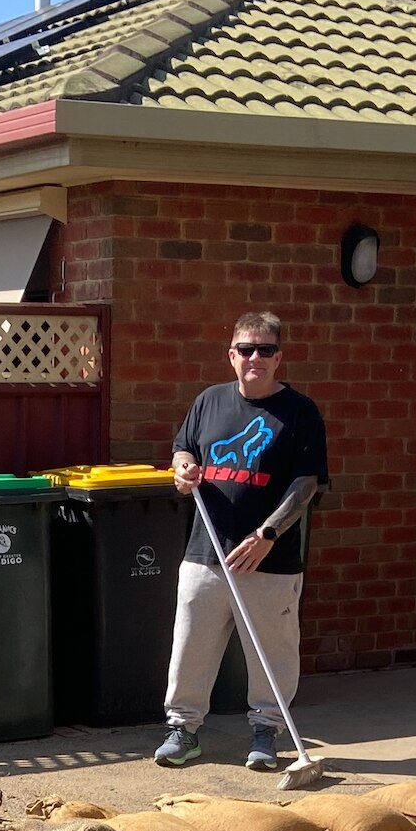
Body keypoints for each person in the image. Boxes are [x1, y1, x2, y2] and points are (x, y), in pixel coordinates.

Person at [156, 310, 329, 771]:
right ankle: (183, 730)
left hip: (268, 561)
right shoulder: (209, 402)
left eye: (266, 350)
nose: (256, 357)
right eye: (247, 349)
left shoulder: (300, 413)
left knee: (272, 652)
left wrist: (267, 534)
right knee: (191, 644)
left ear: (279, 358)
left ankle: (266, 733)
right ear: (232, 356)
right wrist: (183, 468)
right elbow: (183, 447)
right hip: (204, 551)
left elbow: (306, 483)